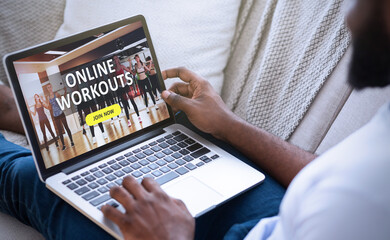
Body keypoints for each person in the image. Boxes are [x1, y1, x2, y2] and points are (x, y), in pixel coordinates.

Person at [0, 0, 389, 239]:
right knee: (164, 138)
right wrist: (227, 124)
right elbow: (331, 175)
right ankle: (42, 123)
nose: (348, 15)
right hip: (274, 214)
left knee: (33, 184)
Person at [113, 55, 142, 127]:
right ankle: (128, 120)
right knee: (125, 104)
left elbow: (129, 71)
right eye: (114, 59)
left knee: (132, 101)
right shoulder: (113, 69)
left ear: (118, 59)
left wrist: (132, 71)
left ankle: (139, 116)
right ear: (114, 61)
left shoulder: (122, 66)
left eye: (117, 58)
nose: (116, 59)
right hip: (120, 88)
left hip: (126, 85)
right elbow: (113, 78)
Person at [46, 83, 75, 151]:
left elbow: (63, 98)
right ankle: (63, 145)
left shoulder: (56, 94)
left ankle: (72, 141)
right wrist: (45, 103)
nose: (49, 88)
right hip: (55, 116)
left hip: (61, 113)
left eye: (50, 87)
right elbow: (49, 107)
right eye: (48, 87)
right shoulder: (48, 98)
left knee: (66, 127)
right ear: (47, 89)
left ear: (52, 87)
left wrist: (65, 91)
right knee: (60, 131)